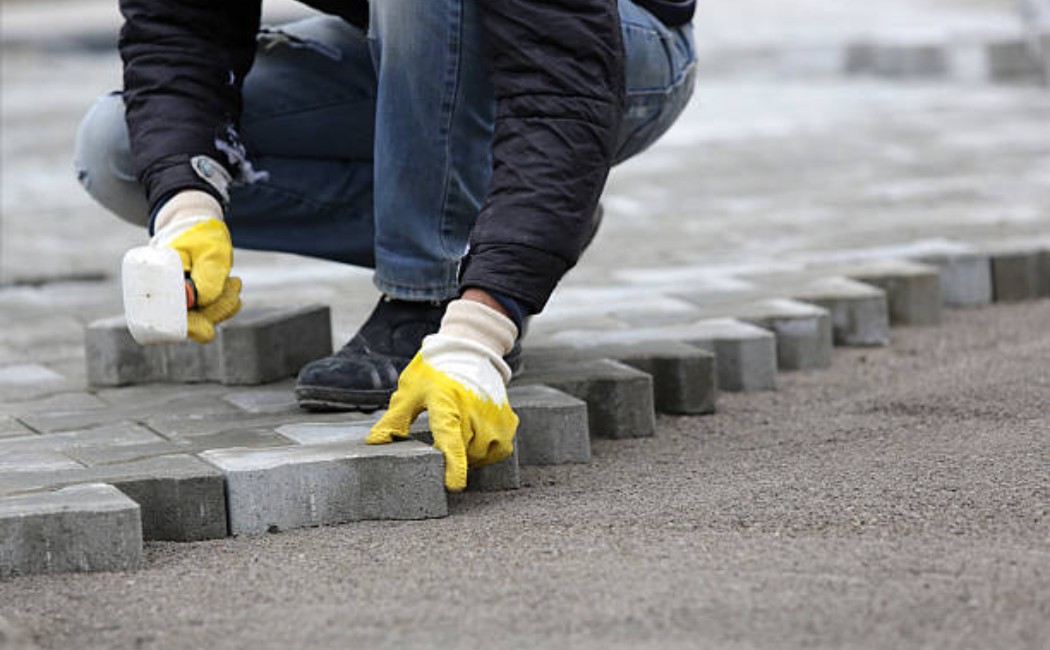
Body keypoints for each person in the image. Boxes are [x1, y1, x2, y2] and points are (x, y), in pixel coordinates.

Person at [74, 0, 696, 491]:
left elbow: (562, 88)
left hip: (617, 52)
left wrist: (480, 330)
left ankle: (431, 288)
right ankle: (505, 224)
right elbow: (178, 30)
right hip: (426, 41)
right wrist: (187, 206)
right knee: (121, 153)